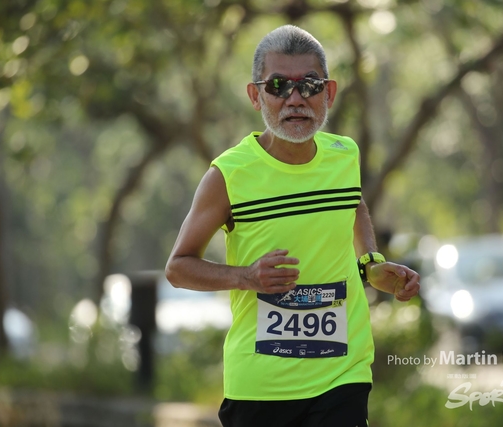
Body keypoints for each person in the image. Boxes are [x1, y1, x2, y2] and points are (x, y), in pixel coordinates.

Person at [165, 24, 420, 427]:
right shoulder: (228, 175)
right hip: (260, 387)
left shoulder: (345, 155)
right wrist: (247, 277)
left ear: (329, 93)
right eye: (278, 85)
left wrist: (371, 264)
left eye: (310, 85)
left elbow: (353, 206)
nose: (295, 98)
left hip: (343, 373)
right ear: (256, 96)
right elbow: (178, 268)